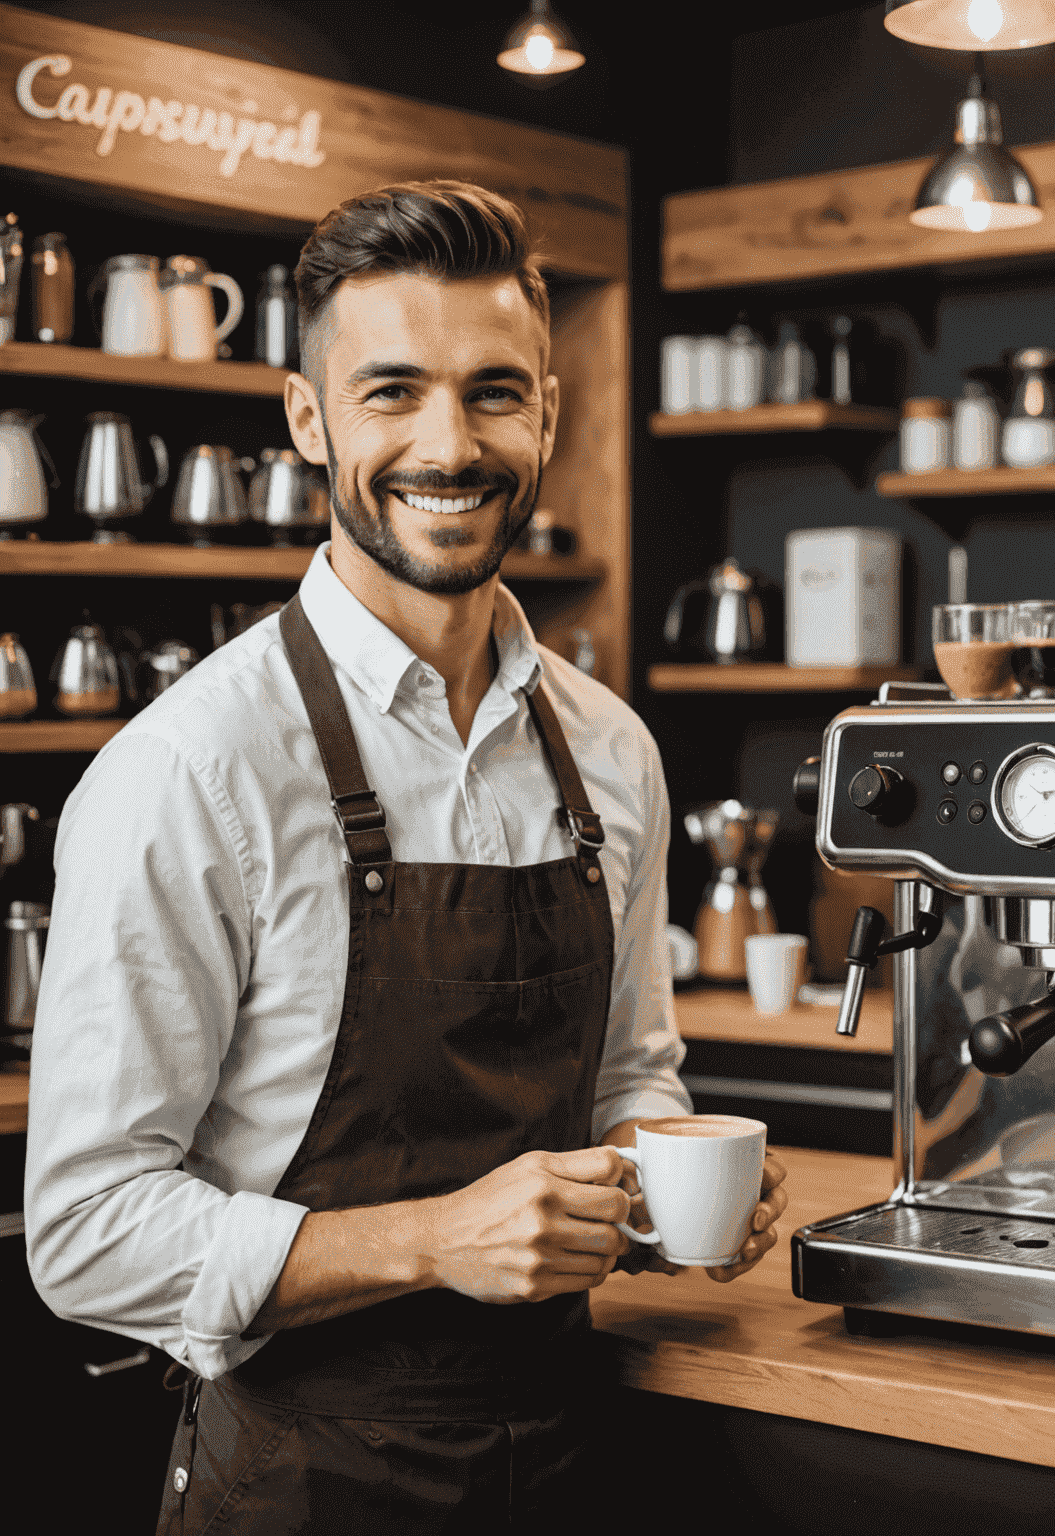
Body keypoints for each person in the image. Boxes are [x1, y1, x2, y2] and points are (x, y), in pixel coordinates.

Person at [24, 180, 788, 1533]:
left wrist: (668, 1176)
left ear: (548, 413)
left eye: (496, 392)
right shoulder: (192, 769)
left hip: (573, 1459)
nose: (452, 443)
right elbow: (87, 1232)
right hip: (302, 1483)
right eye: (392, 393)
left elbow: (627, 1074)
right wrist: (437, 1238)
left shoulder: (610, 751)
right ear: (309, 420)